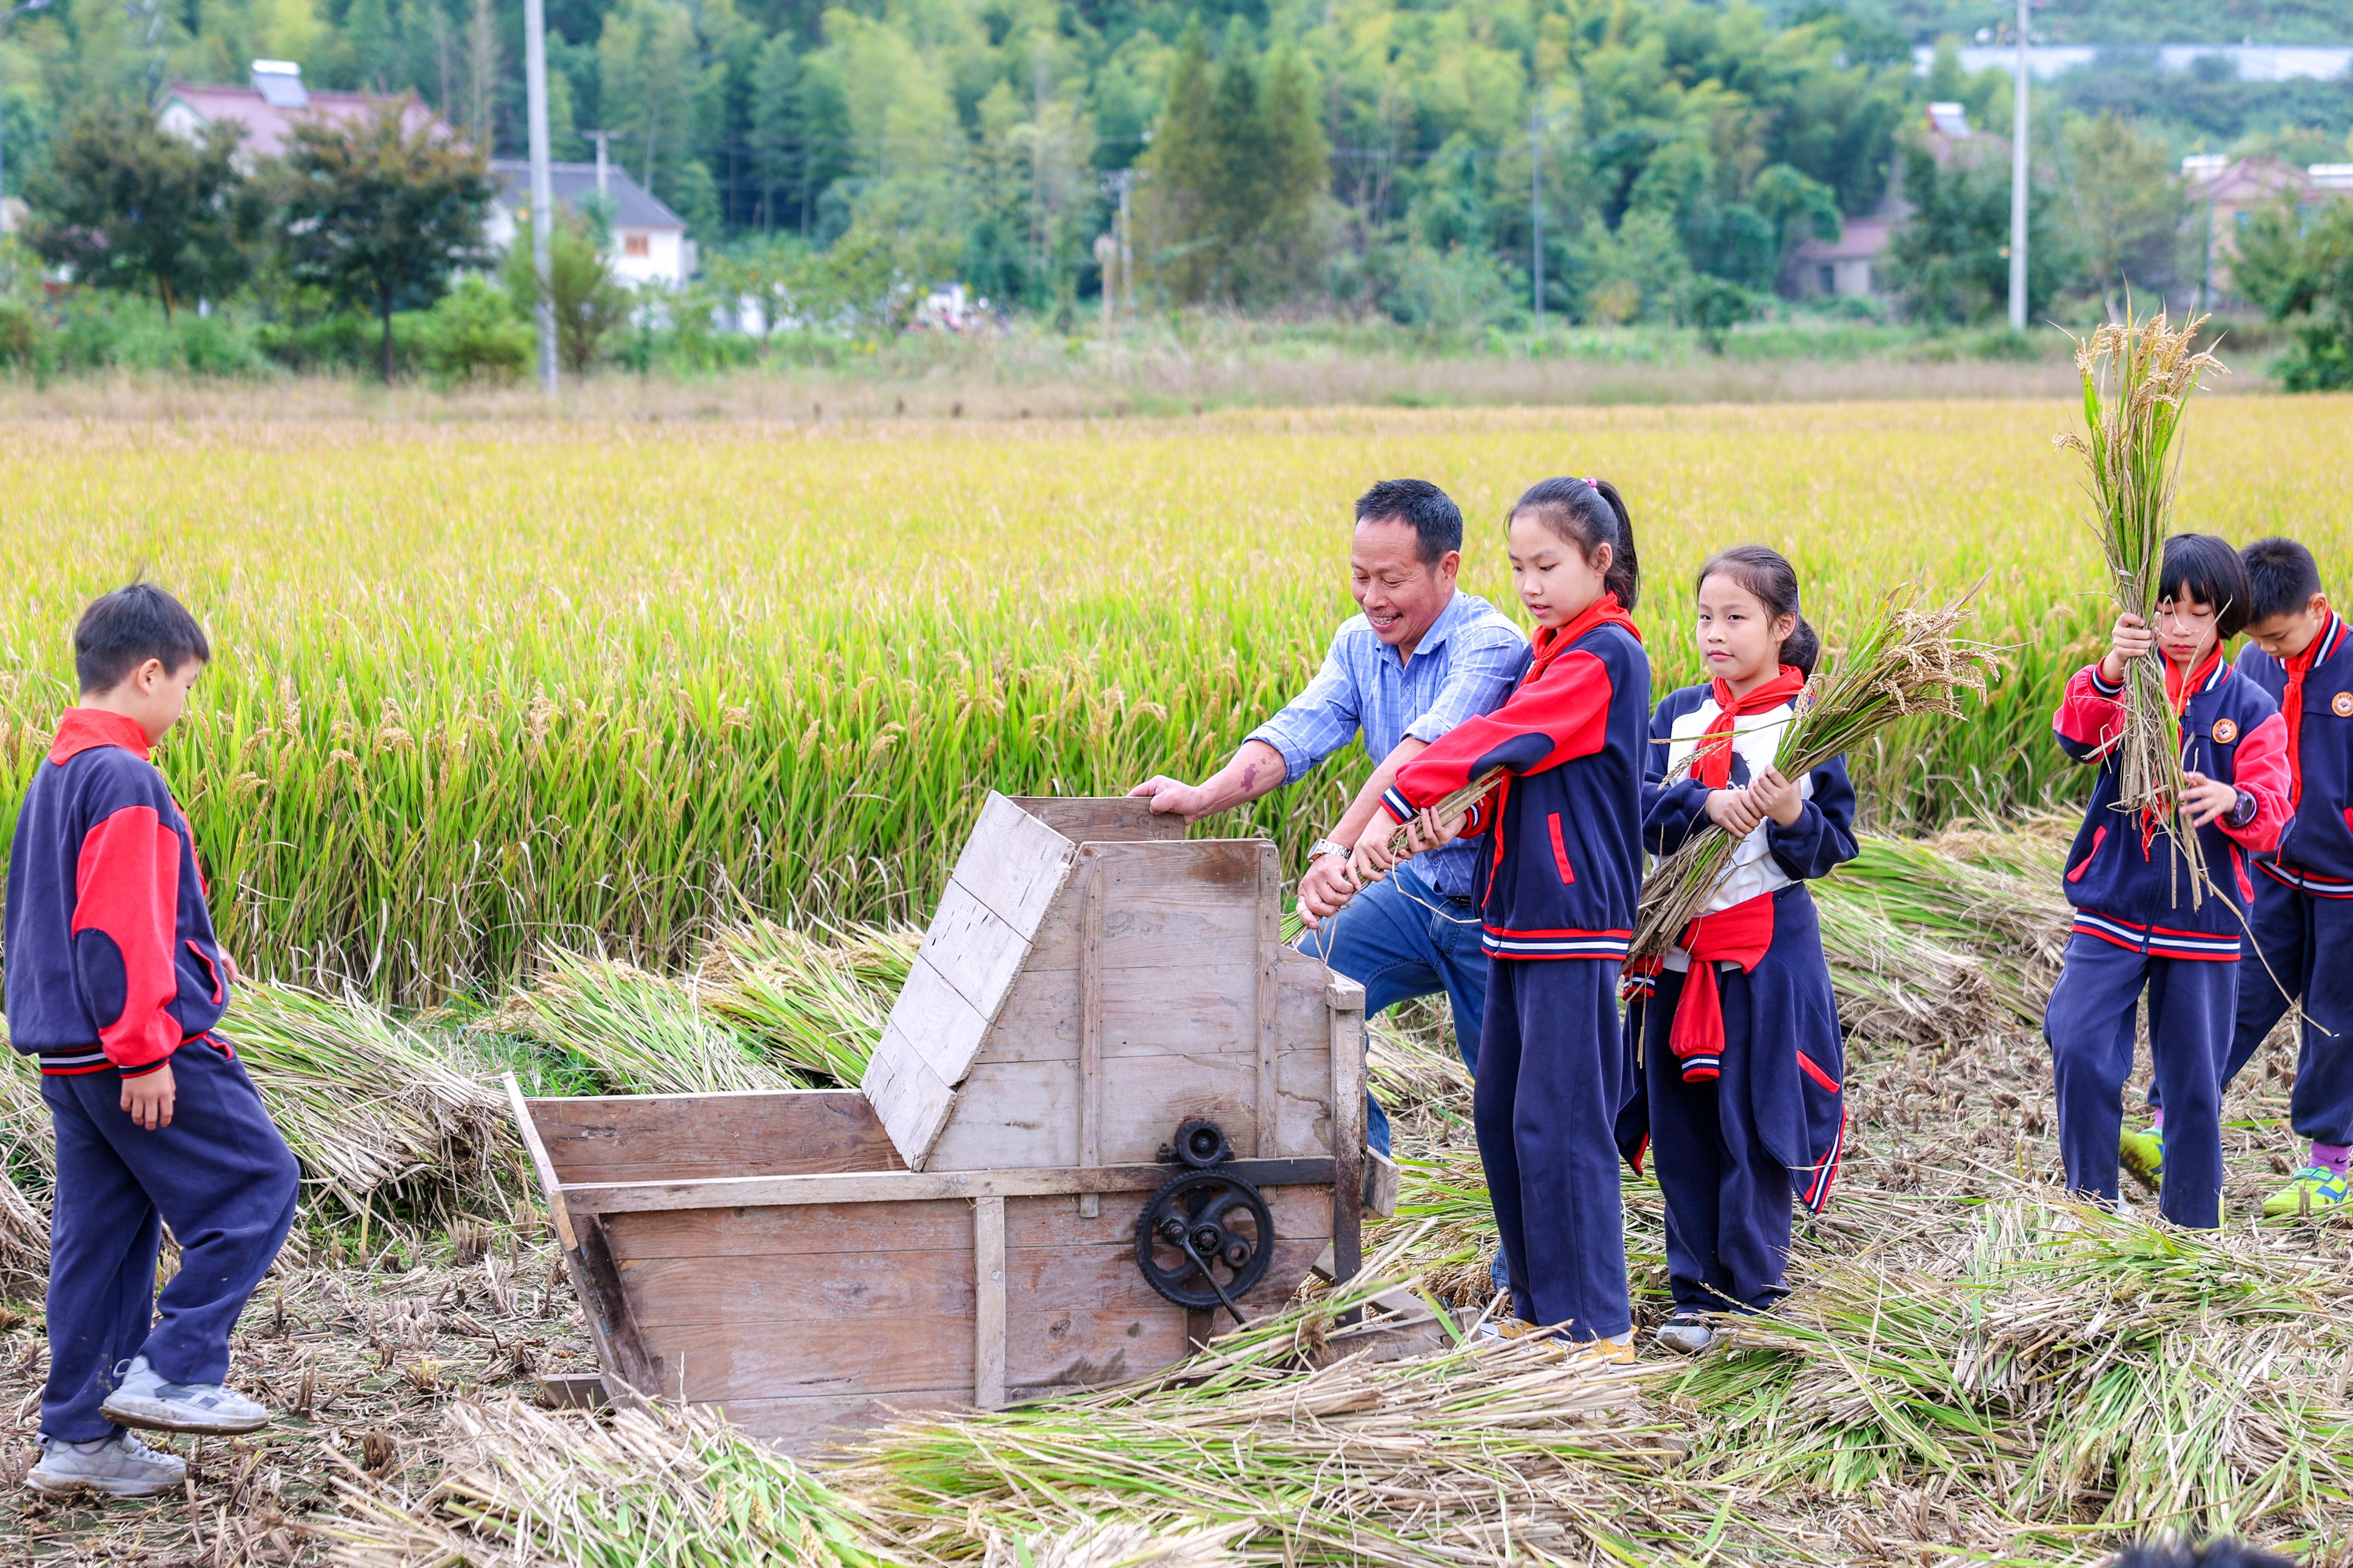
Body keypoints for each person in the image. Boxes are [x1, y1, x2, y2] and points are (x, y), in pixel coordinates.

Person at [1128, 478, 1530, 1159]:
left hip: (1492, 909)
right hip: (1413, 889)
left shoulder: (1489, 645)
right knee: (1293, 996)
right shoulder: (1358, 642)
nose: (1372, 598)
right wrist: (1202, 796)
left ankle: (1522, 1264)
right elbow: (1297, 733)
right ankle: (1363, 1169)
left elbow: (1421, 757)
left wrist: (1336, 849)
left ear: (1447, 568)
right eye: (1359, 576)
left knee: (1511, 1093)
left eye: (1391, 580)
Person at [1344, 477, 1650, 1355]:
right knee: (1506, 1118)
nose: (1529, 586)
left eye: (1548, 565)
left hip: (1571, 921)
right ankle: (1533, 1307)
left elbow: (1502, 742)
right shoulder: (1553, 650)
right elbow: (1519, 784)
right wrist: (1455, 815)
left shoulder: (1605, 656)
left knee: (1565, 1125)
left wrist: (1403, 794)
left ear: (1601, 562)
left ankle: (1596, 1328)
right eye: (1517, 567)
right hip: (1515, 917)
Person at [10, 585, 303, 1499]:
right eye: (183, 684)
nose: (183, 704)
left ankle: (79, 1442)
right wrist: (146, 1050)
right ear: (147, 673)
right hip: (134, 1051)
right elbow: (119, 927)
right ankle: (176, 1368)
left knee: (103, 1243)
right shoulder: (125, 777)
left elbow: (34, 926)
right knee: (258, 1182)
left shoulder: (54, 774)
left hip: (69, 1058)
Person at [1620, 546, 1856, 1356]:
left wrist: (1791, 811)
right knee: (1682, 1126)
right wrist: (1702, 801)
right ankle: (1692, 1292)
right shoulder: (1680, 713)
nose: (1714, 633)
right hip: (1675, 956)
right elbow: (1637, 805)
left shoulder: (1814, 727)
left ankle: (1753, 1296)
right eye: (1703, 616)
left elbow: (1833, 847)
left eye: (1736, 618)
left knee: (1753, 1124)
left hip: (1764, 960)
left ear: (1781, 627)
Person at [2043, 535, 2289, 1230]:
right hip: (2113, 904)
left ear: (2224, 617)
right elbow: (2074, 736)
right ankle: (2093, 1203)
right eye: (2165, 609)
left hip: (2204, 921)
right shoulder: (2128, 680)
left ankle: (2191, 1230)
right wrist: (2114, 666)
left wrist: (2230, 801)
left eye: (2197, 612)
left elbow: (2273, 816)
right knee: (2078, 1040)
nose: (2178, 627)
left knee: (2192, 1088)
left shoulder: (2247, 706)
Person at [2137, 537, 2353, 1218]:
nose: (2270, 651)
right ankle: (2167, 1130)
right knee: (2232, 1003)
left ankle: (2330, 1170)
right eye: (2257, 639)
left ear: (2317, 607)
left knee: (2333, 1024)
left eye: (2280, 637)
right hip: (2272, 874)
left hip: (2345, 886)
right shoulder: (2257, 663)